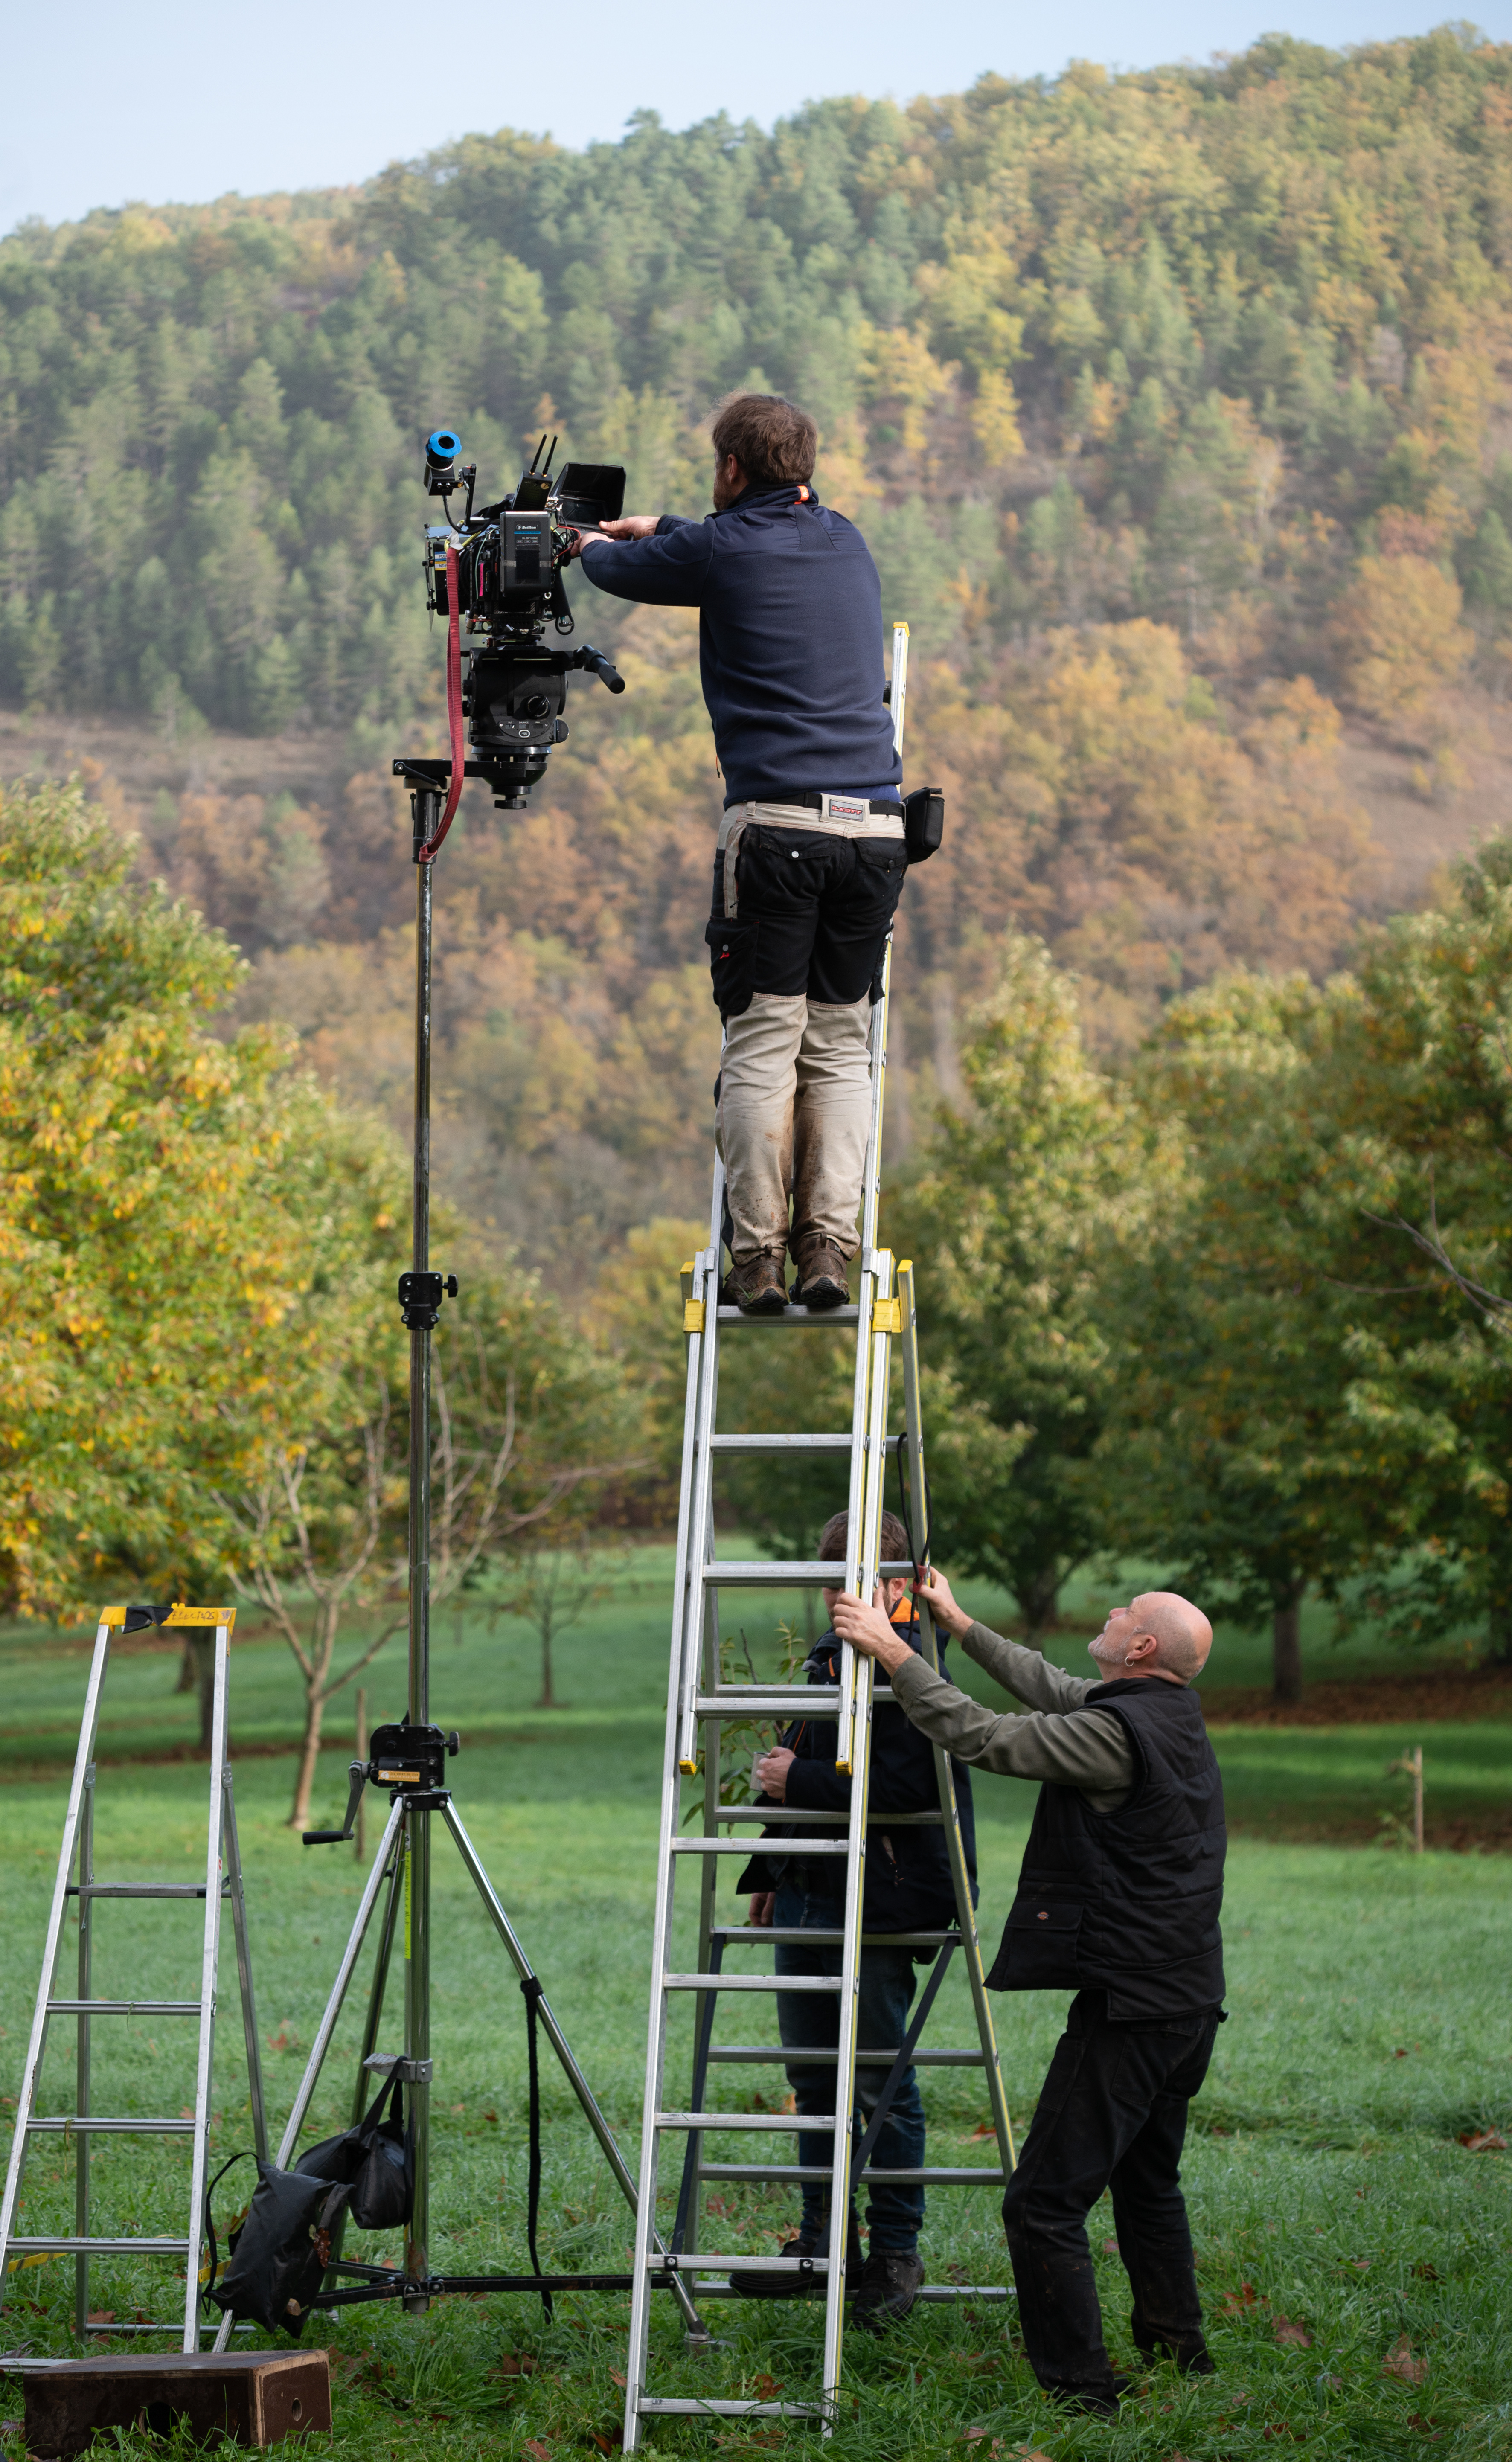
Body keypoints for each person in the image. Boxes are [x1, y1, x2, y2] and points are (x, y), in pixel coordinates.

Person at [830, 1571, 1225, 2417]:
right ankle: (1180, 2353)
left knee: (1043, 2204)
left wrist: (892, 1648)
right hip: (1188, 1999)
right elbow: (1050, 1684)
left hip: (1136, 2007)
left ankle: (1082, 2396)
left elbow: (984, 1737)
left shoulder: (1117, 1738)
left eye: (1124, 1613)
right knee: (1149, 2184)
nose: (1112, 1614)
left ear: (1143, 1647)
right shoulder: (1164, 1713)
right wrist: (958, 1623)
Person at [576, 393, 904, 1316]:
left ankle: (757, 1259)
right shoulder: (846, 538)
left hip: (777, 831)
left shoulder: (718, 549)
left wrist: (587, 544)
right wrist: (669, 529)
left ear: (730, 470)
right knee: (841, 1048)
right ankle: (829, 1252)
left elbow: (615, 574)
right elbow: (741, 546)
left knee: (764, 1039)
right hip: (876, 832)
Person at [731, 1511, 977, 2329]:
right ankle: (820, 2246)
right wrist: (775, 1863)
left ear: (901, 1585)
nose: (839, 1597)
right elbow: (807, 1758)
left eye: (857, 1581)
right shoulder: (830, 1653)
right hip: (811, 1887)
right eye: (831, 1582)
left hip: (879, 1895)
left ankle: (896, 2256)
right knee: (812, 2076)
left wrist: (796, 1783)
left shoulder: (917, 1665)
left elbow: (911, 1791)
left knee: (877, 2079)